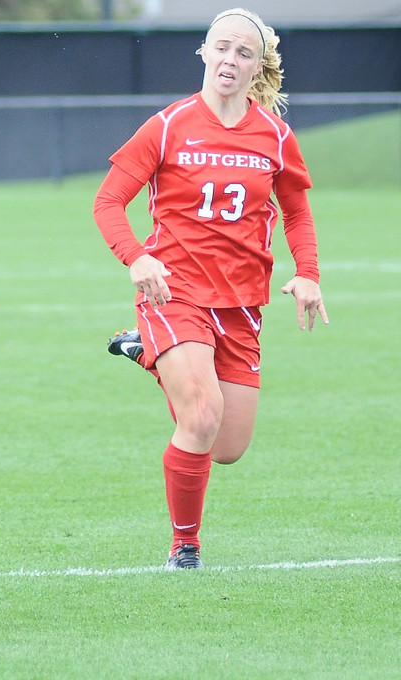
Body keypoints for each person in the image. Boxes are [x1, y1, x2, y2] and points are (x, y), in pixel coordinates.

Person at [93, 8, 329, 569]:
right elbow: (107, 202)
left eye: (244, 53)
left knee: (226, 447)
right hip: (174, 292)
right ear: (203, 52)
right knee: (200, 415)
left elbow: (296, 210)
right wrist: (137, 257)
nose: (231, 59)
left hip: (243, 302)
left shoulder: (275, 135)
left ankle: (145, 352)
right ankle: (185, 546)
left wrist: (308, 273)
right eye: (221, 47)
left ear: (258, 67)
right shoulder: (168, 125)